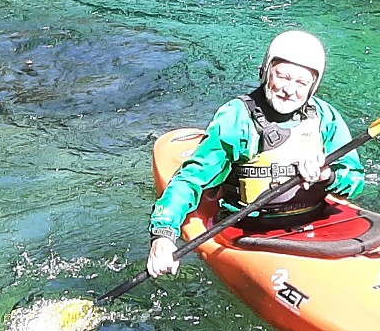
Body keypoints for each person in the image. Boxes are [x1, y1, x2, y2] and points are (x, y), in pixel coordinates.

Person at [147, 30, 366, 277]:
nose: (289, 89)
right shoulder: (237, 119)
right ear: (265, 71)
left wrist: (329, 177)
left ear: (313, 86)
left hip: (317, 221)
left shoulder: (325, 117)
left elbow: (355, 180)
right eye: (282, 76)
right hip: (250, 228)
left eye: (301, 83)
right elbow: (191, 179)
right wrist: (163, 235)